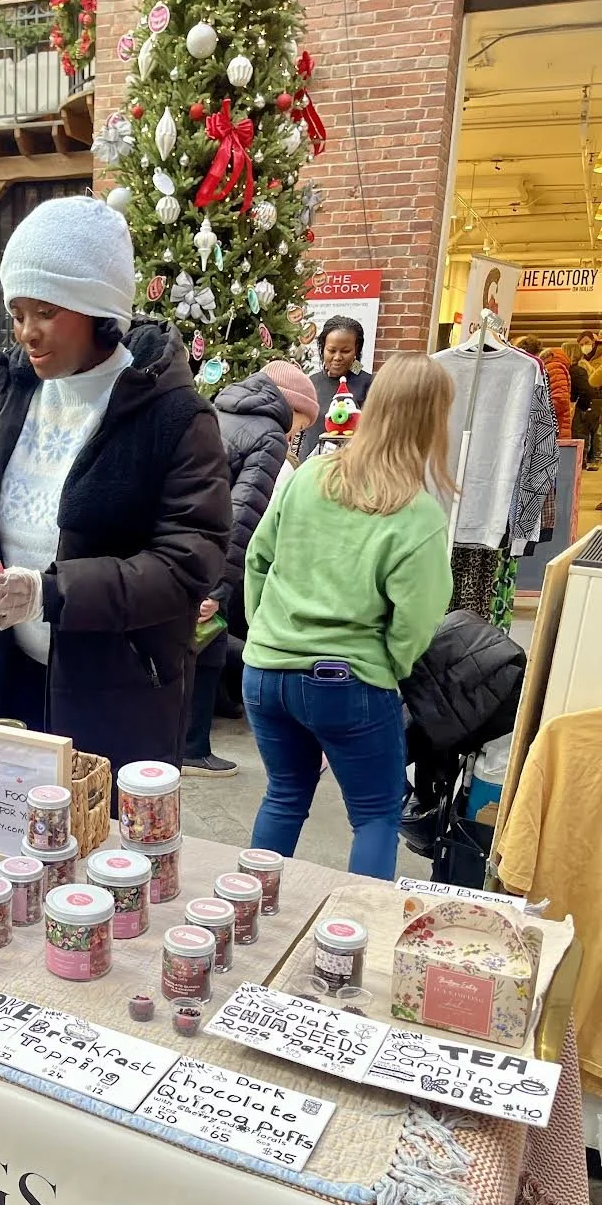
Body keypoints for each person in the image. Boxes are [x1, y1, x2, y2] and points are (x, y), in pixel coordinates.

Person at [0, 194, 230, 772]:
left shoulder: (173, 414)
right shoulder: (12, 389)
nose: (27, 332)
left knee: (102, 842)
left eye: (46, 311)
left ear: (97, 307)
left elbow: (186, 564)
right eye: (18, 312)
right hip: (6, 670)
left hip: (116, 693)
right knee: (7, 834)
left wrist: (49, 592)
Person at [241, 353, 455, 880]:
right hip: (348, 680)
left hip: (265, 673)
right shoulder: (417, 512)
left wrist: (267, 636)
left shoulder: (311, 473)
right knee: (375, 817)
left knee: (285, 795)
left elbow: (257, 559)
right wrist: (388, 665)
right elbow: (418, 615)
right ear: (433, 421)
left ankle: (245, 916)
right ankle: (356, 939)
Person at [184, 361, 319, 775]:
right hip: (210, 559)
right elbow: (242, 517)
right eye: (302, 421)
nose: (300, 432)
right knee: (207, 643)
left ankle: (190, 743)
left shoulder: (219, 411)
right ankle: (190, 746)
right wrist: (215, 588)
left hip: (181, 545)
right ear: (289, 406)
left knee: (204, 649)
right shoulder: (269, 435)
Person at [297, 316, 375, 461]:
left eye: (345, 351)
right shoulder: (310, 383)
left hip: (351, 468)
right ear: (322, 348)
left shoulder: (370, 384)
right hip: (310, 468)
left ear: (356, 351)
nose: (337, 357)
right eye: (331, 350)